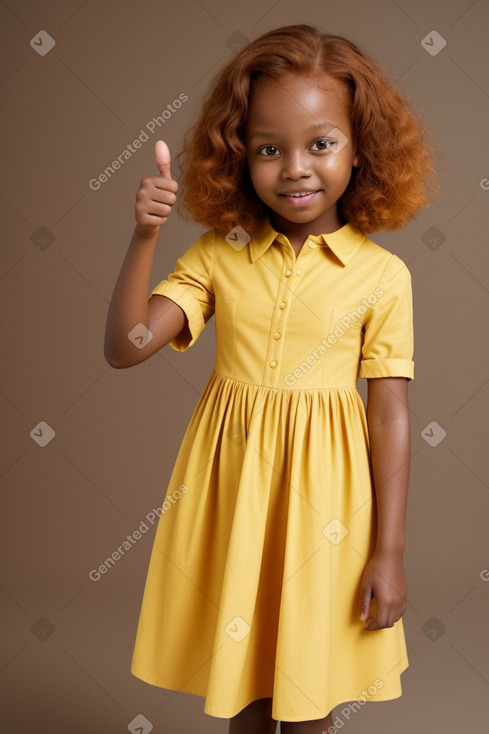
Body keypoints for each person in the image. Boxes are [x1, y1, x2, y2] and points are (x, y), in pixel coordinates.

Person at [104, 24, 437, 734]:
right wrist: (144, 238)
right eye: (266, 148)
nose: (294, 168)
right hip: (233, 499)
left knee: (308, 687)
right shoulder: (218, 255)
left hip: (329, 509)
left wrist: (388, 550)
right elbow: (127, 347)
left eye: (320, 144)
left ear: (361, 150)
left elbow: (388, 416)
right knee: (246, 686)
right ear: (236, 157)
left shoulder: (383, 278)